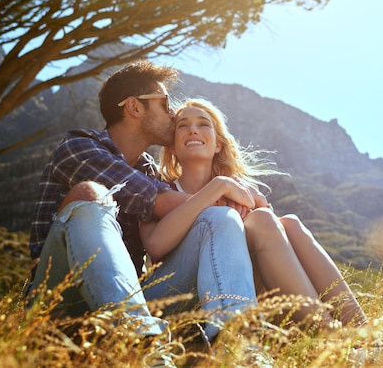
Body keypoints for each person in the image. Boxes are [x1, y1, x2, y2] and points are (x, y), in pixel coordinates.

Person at [27, 61, 258, 352]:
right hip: (61, 301)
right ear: (135, 108)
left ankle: (237, 346)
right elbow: (160, 202)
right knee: (90, 194)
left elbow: (183, 208)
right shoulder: (80, 147)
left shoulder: (149, 170)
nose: (173, 113)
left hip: (134, 299)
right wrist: (223, 189)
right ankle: (144, 348)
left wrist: (228, 203)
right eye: (164, 103)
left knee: (218, 217)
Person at [153, 98, 368, 330]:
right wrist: (218, 189)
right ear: (173, 146)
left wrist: (257, 204)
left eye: (204, 124)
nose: (193, 129)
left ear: (218, 144)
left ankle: (363, 331)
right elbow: (155, 246)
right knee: (257, 219)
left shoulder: (240, 192)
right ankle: (328, 333)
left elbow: (270, 241)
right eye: (183, 125)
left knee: (290, 223)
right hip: (179, 293)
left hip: (239, 289)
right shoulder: (160, 188)